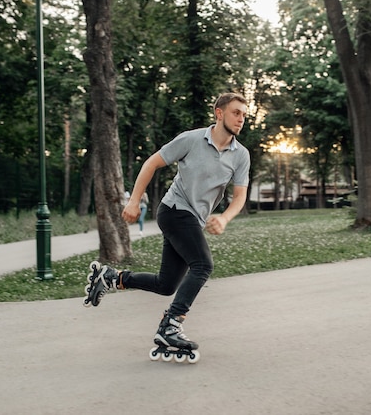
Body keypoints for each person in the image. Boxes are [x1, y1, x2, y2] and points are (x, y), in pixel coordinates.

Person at [85, 92, 250, 355]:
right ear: (219, 113)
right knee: (203, 265)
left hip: (193, 219)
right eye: (236, 112)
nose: (241, 119)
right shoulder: (191, 139)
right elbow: (152, 163)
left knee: (166, 284)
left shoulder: (240, 155)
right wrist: (134, 201)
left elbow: (240, 196)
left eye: (244, 114)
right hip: (174, 210)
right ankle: (171, 326)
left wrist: (225, 217)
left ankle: (112, 278)